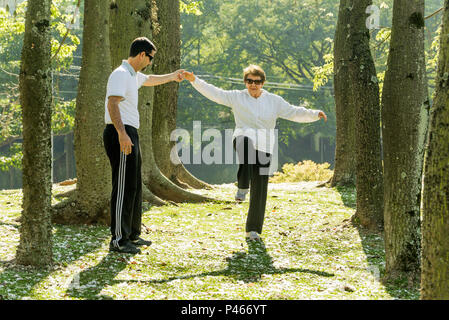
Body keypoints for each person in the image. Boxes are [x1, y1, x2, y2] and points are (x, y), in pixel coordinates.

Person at [182, 65, 327, 241]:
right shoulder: (237, 97)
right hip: (243, 137)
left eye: (257, 82)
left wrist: (315, 114)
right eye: (249, 81)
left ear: (262, 83)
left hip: (265, 146)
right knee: (245, 145)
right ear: (245, 82)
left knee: (260, 188)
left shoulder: (274, 101)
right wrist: (194, 80)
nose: (253, 85)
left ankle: (252, 230)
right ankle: (242, 185)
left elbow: (294, 112)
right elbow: (215, 93)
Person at [104, 37, 184, 254]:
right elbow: (112, 103)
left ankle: (131, 235)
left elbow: (149, 79)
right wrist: (121, 134)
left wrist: (173, 76)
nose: (149, 62)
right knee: (122, 186)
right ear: (141, 54)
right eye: (149, 57)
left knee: (133, 185)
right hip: (120, 132)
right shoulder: (120, 74)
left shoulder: (133, 75)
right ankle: (118, 240)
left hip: (131, 132)